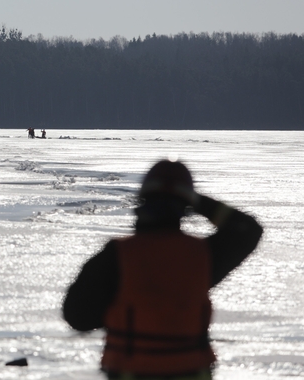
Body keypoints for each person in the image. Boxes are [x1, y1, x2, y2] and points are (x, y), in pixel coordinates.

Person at [62, 160, 263, 379]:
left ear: (143, 199)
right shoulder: (201, 256)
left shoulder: (117, 256)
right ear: (185, 206)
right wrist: (196, 200)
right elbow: (248, 229)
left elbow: (77, 317)